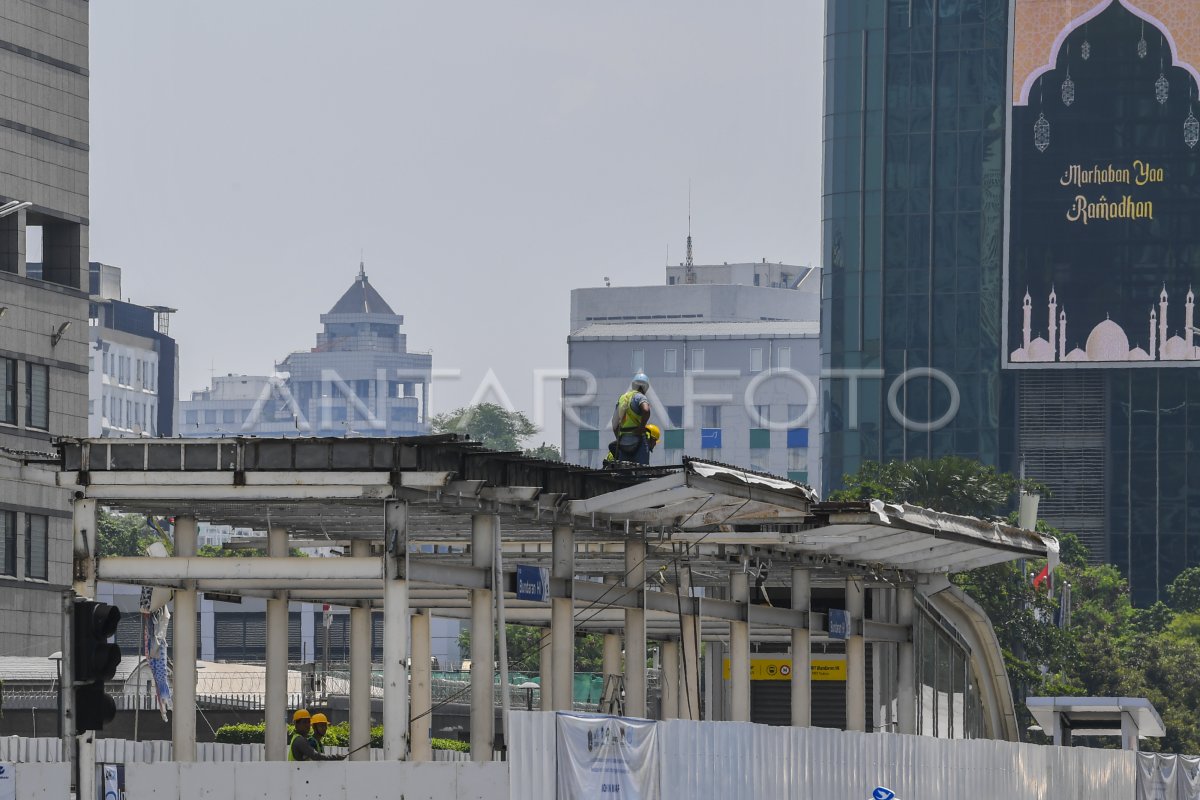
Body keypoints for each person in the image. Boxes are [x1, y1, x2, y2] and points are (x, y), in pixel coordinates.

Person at [611, 373, 653, 464]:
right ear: (645, 387)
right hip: (638, 439)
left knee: (624, 473)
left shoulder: (622, 398)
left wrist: (619, 439)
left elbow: (614, 424)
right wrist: (641, 427)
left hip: (623, 441)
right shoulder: (640, 396)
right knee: (642, 472)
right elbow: (646, 410)